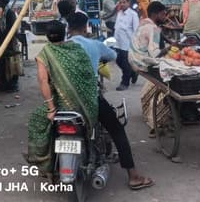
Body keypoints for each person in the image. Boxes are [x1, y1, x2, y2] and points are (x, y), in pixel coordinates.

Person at [66, 14, 154, 190]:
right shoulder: (94, 45)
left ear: (68, 28)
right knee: (117, 130)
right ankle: (133, 176)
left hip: (64, 101)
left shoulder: (59, 47)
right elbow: (114, 55)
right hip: (90, 99)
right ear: (85, 28)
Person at [25, 20, 98, 173]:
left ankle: (44, 162)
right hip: (86, 104)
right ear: (65, 34)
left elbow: (43, 81)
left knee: (36, 121)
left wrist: (51, 109)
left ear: (46, 36)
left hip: (60, 105)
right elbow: (89, 76)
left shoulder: (45, 53)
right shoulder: (77, 49)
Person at [129, 2, 171, 137]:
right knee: (168, 83)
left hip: (134, 59)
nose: (165, 17)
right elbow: (155, 54)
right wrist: (170, 48)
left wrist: (169, 42)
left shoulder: (144, 23)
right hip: (143, 62)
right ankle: (156, 123)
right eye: (163, 14)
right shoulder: (153, 28)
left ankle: (148, 109)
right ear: (155, 14)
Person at [113, 0, 140, 91]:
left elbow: (136, 30)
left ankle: (124, 83)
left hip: (127, 43)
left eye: (124, 2)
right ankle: (133, 72)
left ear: (128, 3)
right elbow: (117, 28)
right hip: (118, 43)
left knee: (125, 63)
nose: (122, 4)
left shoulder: (133, 14)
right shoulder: (119, 13)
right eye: (120, 2)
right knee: (118, 61)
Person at [0, 0, 20, 92]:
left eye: (0, 1)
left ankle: (12, 85)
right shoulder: (3, 12)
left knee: (11, 64)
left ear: (3, 2)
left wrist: (5, 37)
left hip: (10, 42)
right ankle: (3, 84)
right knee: (3, 63)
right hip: (4, 41)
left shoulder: (10, 13)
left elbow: (12, 29)